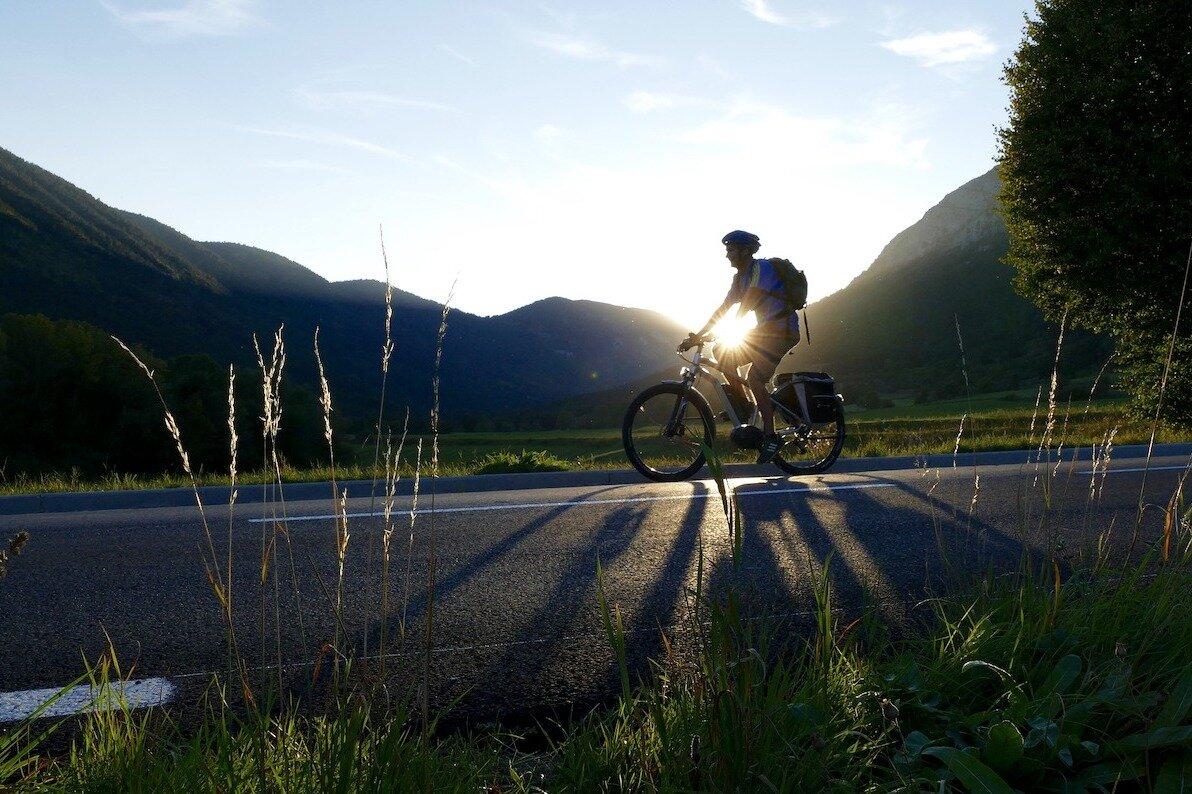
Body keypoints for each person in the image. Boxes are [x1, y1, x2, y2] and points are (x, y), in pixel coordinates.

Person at [681, 230, 801, 464]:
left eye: (732, 250)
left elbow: (750, 301)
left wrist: (730, 327)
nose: (728, 255)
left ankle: (771, 436)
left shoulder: (761, 269)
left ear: (746, 250)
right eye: (727, 250)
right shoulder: (739, 278)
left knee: (754, 378)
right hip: (766, 332)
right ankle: (745, 407)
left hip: (782, 330)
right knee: (722, 354)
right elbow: (723, 308)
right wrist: (699, 335)